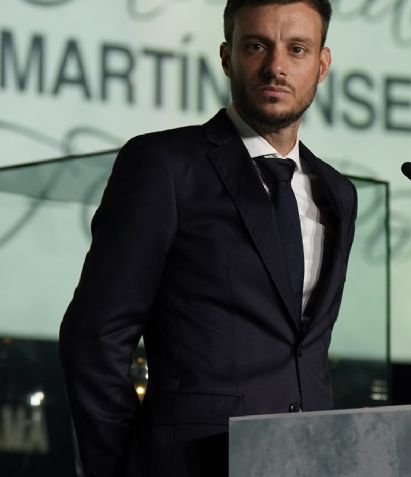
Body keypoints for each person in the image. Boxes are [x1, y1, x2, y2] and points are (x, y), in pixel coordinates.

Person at [58, 0, 356, 475]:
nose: (276, 66)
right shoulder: (165, 165)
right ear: (226, 56)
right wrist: (122, 466)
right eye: (257, 45)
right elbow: (95, 337)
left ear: (321, 65)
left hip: (311, 458)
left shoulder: (338, 193)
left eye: (296, 49)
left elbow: (305, 351)